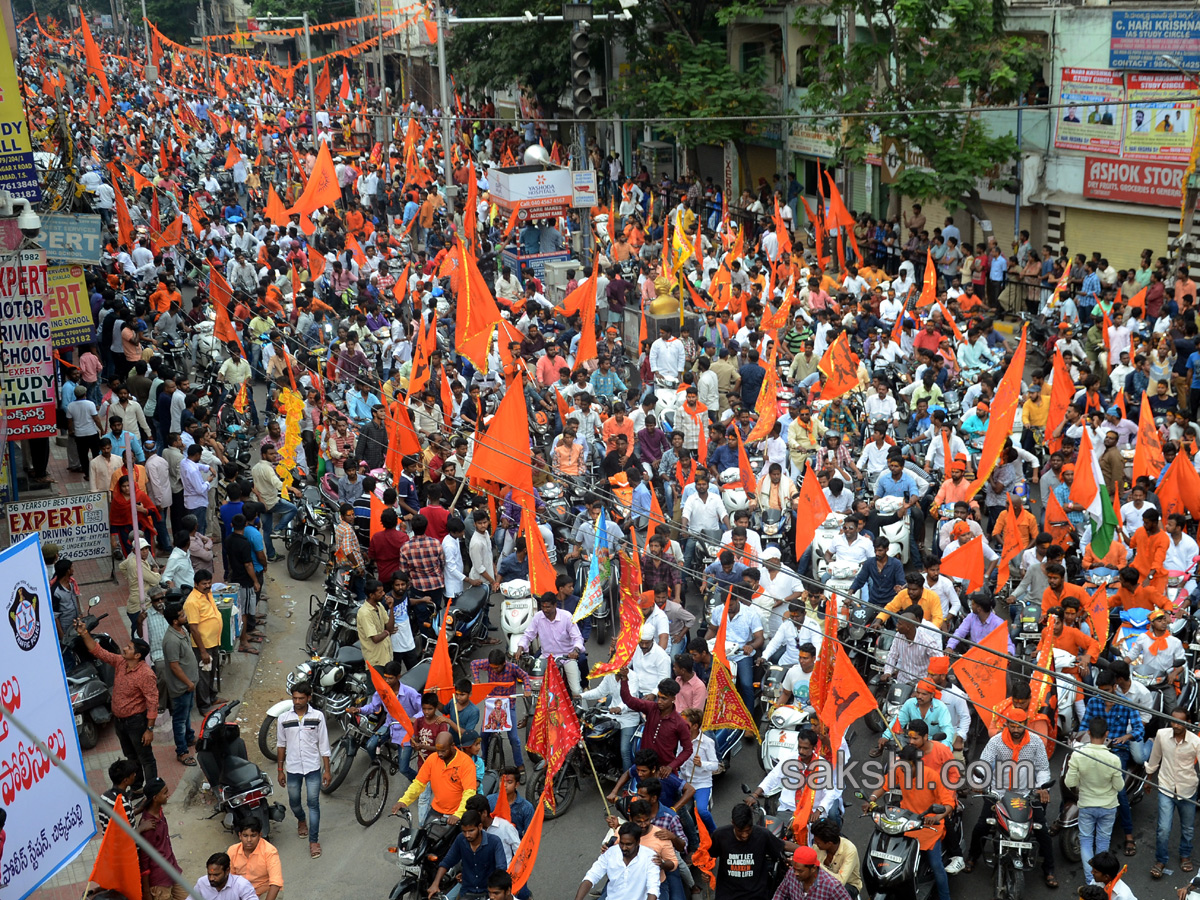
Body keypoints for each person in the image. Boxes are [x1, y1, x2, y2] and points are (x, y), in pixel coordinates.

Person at [965, 709, 1056, 887]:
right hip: (998, 794)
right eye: (1012, 725)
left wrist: (1041, 788)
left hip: (1026, 794)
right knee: (981, 826)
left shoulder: (1036, 742)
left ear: (1026, 723)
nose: (1016, 729)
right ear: (1006, 724)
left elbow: (1043, 769)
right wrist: (978, 781)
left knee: (1042, 831)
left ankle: (1050, 870)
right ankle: (972, 857)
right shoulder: (996, 742)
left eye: (1019, 725)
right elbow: (983, 764)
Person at [73, 618, 158, 791]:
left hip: (137, 723)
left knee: (146, 758)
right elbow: (98, 651)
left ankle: (152, 791)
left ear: (137, 656)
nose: (124, 648)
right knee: (131, 756)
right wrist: (84, 633)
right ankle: (137, 788)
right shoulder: (121, 662)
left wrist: (149, 729)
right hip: (120, 722)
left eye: (129, 647)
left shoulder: (146, 675)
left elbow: (153, 702)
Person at [864, 745, 954, 900]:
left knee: (936, 865)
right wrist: (871, 799)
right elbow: (884, 786)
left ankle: (945, 897)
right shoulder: (899, 771)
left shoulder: (932, 776)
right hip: (905, 822)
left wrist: (937, 818)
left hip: (928, 826)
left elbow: (949, 804)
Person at [1064, 715, 1125, 883]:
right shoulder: (1113, 759)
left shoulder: (1078, 755)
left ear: (1089, 733)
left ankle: (1091, 880)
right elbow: (1119, 787)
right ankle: (1101, 880)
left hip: (1087, 805)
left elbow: (1070, 782)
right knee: (1103, 843)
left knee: (1085, 842)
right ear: (1107, 734)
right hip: (1108, 806)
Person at [275, 682, 332, 859]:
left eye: (301, 698)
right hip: (292, 767)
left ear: (309, 698)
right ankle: (301, 819)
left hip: (313, 767)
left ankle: (313, 841)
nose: (297, 701)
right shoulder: (283, 719)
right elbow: (281, 745)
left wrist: (327, 770)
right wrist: (280, 769)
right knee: (294, 802)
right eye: (294, 698)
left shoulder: (318, 717)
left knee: (313, 804)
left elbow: (323, 744)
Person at [1146, 706, 1200, 878]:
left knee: (1188, 828)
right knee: (1163, 828)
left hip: (1188, 789)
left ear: (1188, 722)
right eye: (1173, 721)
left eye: (1180, 722)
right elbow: (1155, 757)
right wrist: (1148, 778)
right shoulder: (1162, 735)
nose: (1175, 725)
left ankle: (1185, 856)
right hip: (1166, 787)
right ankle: (1160, 860)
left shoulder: (1196, 741)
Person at [392, 731, 479, 824]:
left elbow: (469, 792)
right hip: (437, 810)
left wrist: (458, 814)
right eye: (437, 750)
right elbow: (418, 784)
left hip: (458, 814)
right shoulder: (432, 759)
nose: (440, 754)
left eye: (443, 751)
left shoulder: (466, 763)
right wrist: (404, 801)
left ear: (452, 746)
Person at [711, 803, 795, 899]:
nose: (744, 835)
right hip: (727, 894)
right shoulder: (720, 835)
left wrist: (807, 850)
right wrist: (706, 871)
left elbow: (783, 845)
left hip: (756, 895)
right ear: (733, 823)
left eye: (748, 830)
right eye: (740, 831)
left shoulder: (762, 834)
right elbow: (709, 856)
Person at [616, 674, 693, 776]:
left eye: (664, 699)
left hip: (663, 772)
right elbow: (629, 700)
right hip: (644, 768)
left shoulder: (680, 724)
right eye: (658, 697)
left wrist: (671, 766)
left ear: (673, 698)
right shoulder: (651, 707)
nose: (659, 701)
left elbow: (688, 750)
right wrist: (624, 680)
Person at [428, 808, 507, 900]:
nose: (467, 835)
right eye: (464, 831)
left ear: (480, 827)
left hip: (487, 893)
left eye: (471, 831)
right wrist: (435, 884)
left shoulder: (494, 842)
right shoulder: (460, 839)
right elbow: (447, 862)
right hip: (466, 892)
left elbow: (501, 869)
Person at [517, 592, 585, 697]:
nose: (545, 610)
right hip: (546, 657)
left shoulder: (566, 617)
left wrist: (575, 651)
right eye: (543, 607)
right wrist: (520, 648)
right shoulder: (538, 617)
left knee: (576, 690)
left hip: (566, 657)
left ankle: (582, 711)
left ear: (555, 605)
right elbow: (528, 634)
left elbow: (577, 638)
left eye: (548, 607)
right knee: (535, 687)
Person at [573, 822, 661, 900]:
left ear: (638, 842)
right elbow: (591, 877)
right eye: (621, 843)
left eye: (628, 844)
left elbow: (653, 889)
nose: (624, 848)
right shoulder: (610, 853)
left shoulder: (650, 857)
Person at [161, 601, 199, 767]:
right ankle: (182, 751)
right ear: (175, 621)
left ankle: (189, 738)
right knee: (179, 719)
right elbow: (174, 666)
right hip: (181, 687)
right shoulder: (171, 640)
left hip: (188, 685)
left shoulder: (181, 630)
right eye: (182, 615)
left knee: (186, 715)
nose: (185, 616)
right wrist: (188, 683)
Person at [137, 778, 186, 900]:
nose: (168, 795)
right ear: (155, 798)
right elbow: (144, 861)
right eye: (164, 793)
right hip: (159, 881)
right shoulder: (148, 826)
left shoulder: (159, 812)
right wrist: (147, 892)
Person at [183, 569, 223, 711]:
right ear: (195, 584)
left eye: (209, 583)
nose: (207, 586)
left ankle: (212, 697)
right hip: (203, 646)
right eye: (204, 584)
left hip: (214, 641)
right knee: (203, 676)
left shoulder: (207, 593)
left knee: (211, 672)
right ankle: (204, 706)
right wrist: (203, 651)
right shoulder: (192, 602)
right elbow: (193, 628)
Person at [227, 817, 283, 900]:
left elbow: (276, 882)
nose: (249, 840)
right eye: (245, 836)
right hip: (241, 893)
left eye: (253, 836)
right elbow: (230, 879)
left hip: (264, 893)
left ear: (260, 835)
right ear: (240, 836)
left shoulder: (270, 851)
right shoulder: (232, 851)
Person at [772, 845, 854, 900]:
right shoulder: (791, 874)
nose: (795, 873)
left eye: (800, 871)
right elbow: (781, 893)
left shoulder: (832, 886)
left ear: (813, 868)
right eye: (794, 869)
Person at [811, 819, 863, 898]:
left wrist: (818, 864)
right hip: (822, 880)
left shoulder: (850, 851)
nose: (815, 844)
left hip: (847, 885)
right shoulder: (819, 846)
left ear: (829, 843)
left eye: (818, 843)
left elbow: (840, 882)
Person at [194, 852, 259, 900]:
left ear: (227, 871)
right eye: (209, 874)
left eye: (216, 875)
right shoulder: (202, 883)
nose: (211, 878)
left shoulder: (241, 885)